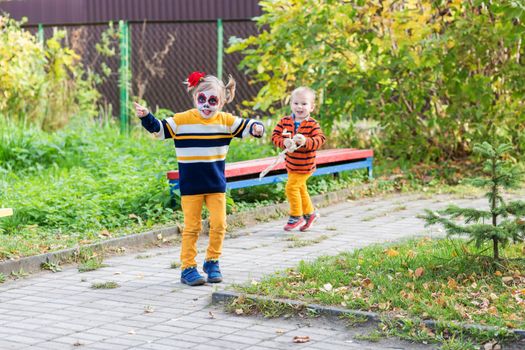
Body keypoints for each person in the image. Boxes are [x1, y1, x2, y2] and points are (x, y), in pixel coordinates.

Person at [135, 71, 264, 286]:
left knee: (220, 224)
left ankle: (212, 261)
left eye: (212, 100)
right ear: (195, 97)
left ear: (221, 102)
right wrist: (146, 116)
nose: (206, 104)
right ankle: (187, 268)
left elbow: (249, 126)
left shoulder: (226, 121)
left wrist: (257, 128)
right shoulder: (183, 120)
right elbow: (159, 130)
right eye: (201, 99)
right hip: (191, 186)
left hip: (215, 185)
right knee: (192, 227)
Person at [271, 87, 326, 231]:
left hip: (305, 166)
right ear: (291, 104)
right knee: (301, 189)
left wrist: (305, 141)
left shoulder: (312, 124)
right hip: (291, 164)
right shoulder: (285, 122)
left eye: (304, 104)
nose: (299, 107)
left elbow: (320, 140)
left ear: (312, 107)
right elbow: (275, 136)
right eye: (296, 103)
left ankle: (297, 215)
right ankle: (310, 214)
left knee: (291, 187)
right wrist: (283, 142)